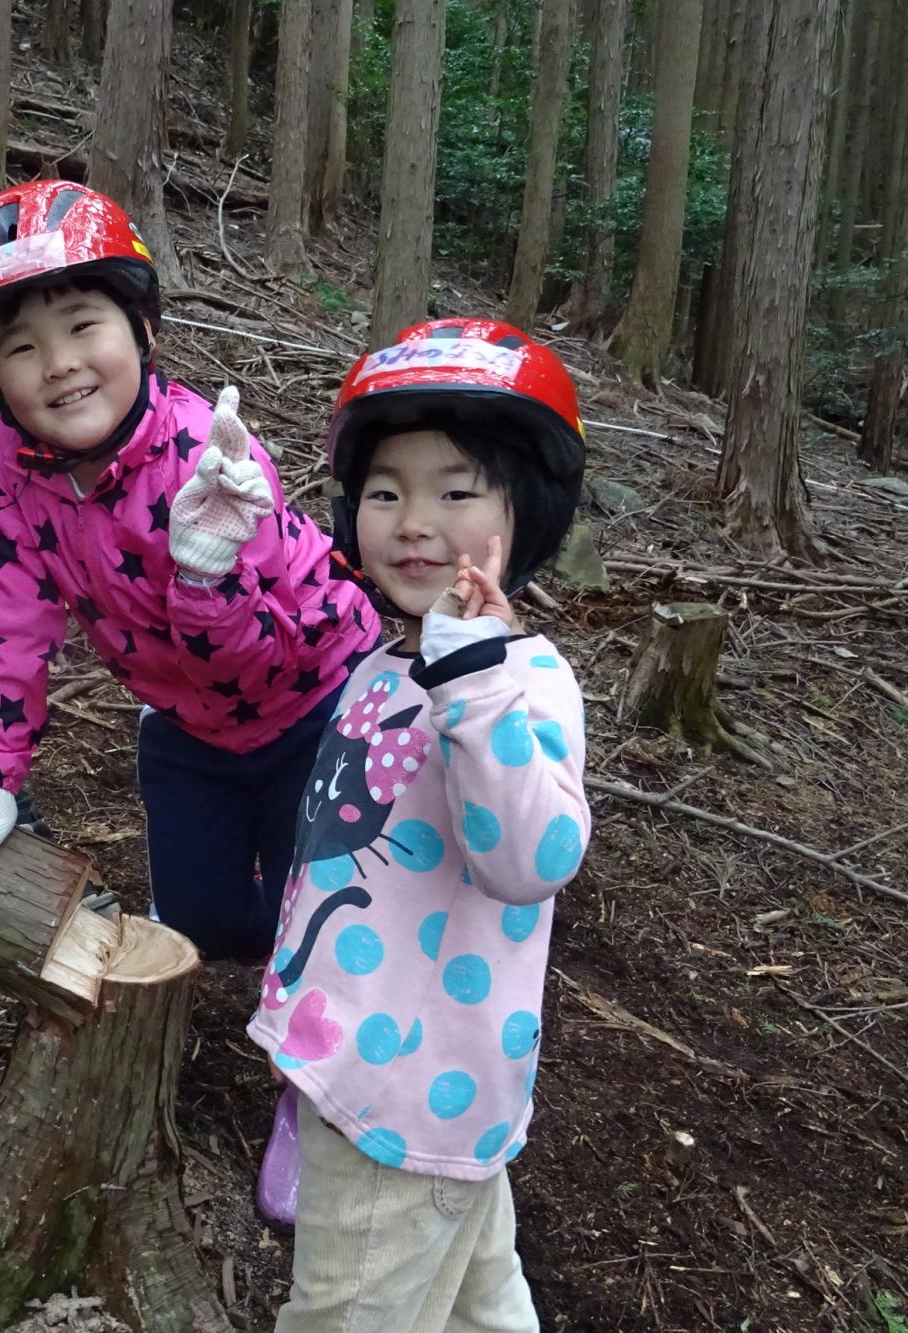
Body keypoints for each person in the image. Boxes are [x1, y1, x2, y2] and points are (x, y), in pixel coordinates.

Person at [0, 180, 380, 963]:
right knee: (200, 925)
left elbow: (251, 658)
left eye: (84, 325)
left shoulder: (209, 460)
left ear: (143, 327)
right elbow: (3, 614)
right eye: (20, 346)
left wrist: (203, 577)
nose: (59, 364)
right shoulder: (7, 469)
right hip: (187, 722)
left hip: (318, 700)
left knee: (315, 922)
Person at [248, 318, 592, 1331]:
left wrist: (475, 686)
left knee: (345, 1310)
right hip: (366, 1059)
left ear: (521, 516)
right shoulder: (387, 659)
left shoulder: (521, 680)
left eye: (454, 491)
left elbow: (534, 860)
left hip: (404, 1092)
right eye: (385, 490)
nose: (411, 520)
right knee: (481, 1299)